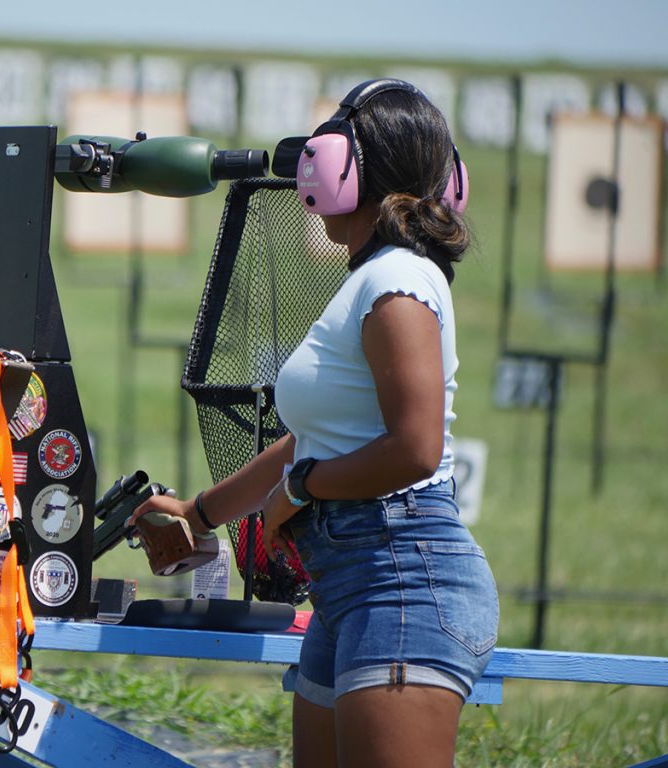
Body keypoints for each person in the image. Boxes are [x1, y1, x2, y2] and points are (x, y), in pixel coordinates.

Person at [131, 79, 499, 767]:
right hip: (354, 588)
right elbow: (315, 441)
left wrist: (299, 492)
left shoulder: (400, 282)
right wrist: (200, 514)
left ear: (345, 165)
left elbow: (415, 450)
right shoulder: (372, 280)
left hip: (403, 582)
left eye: (326, 143)